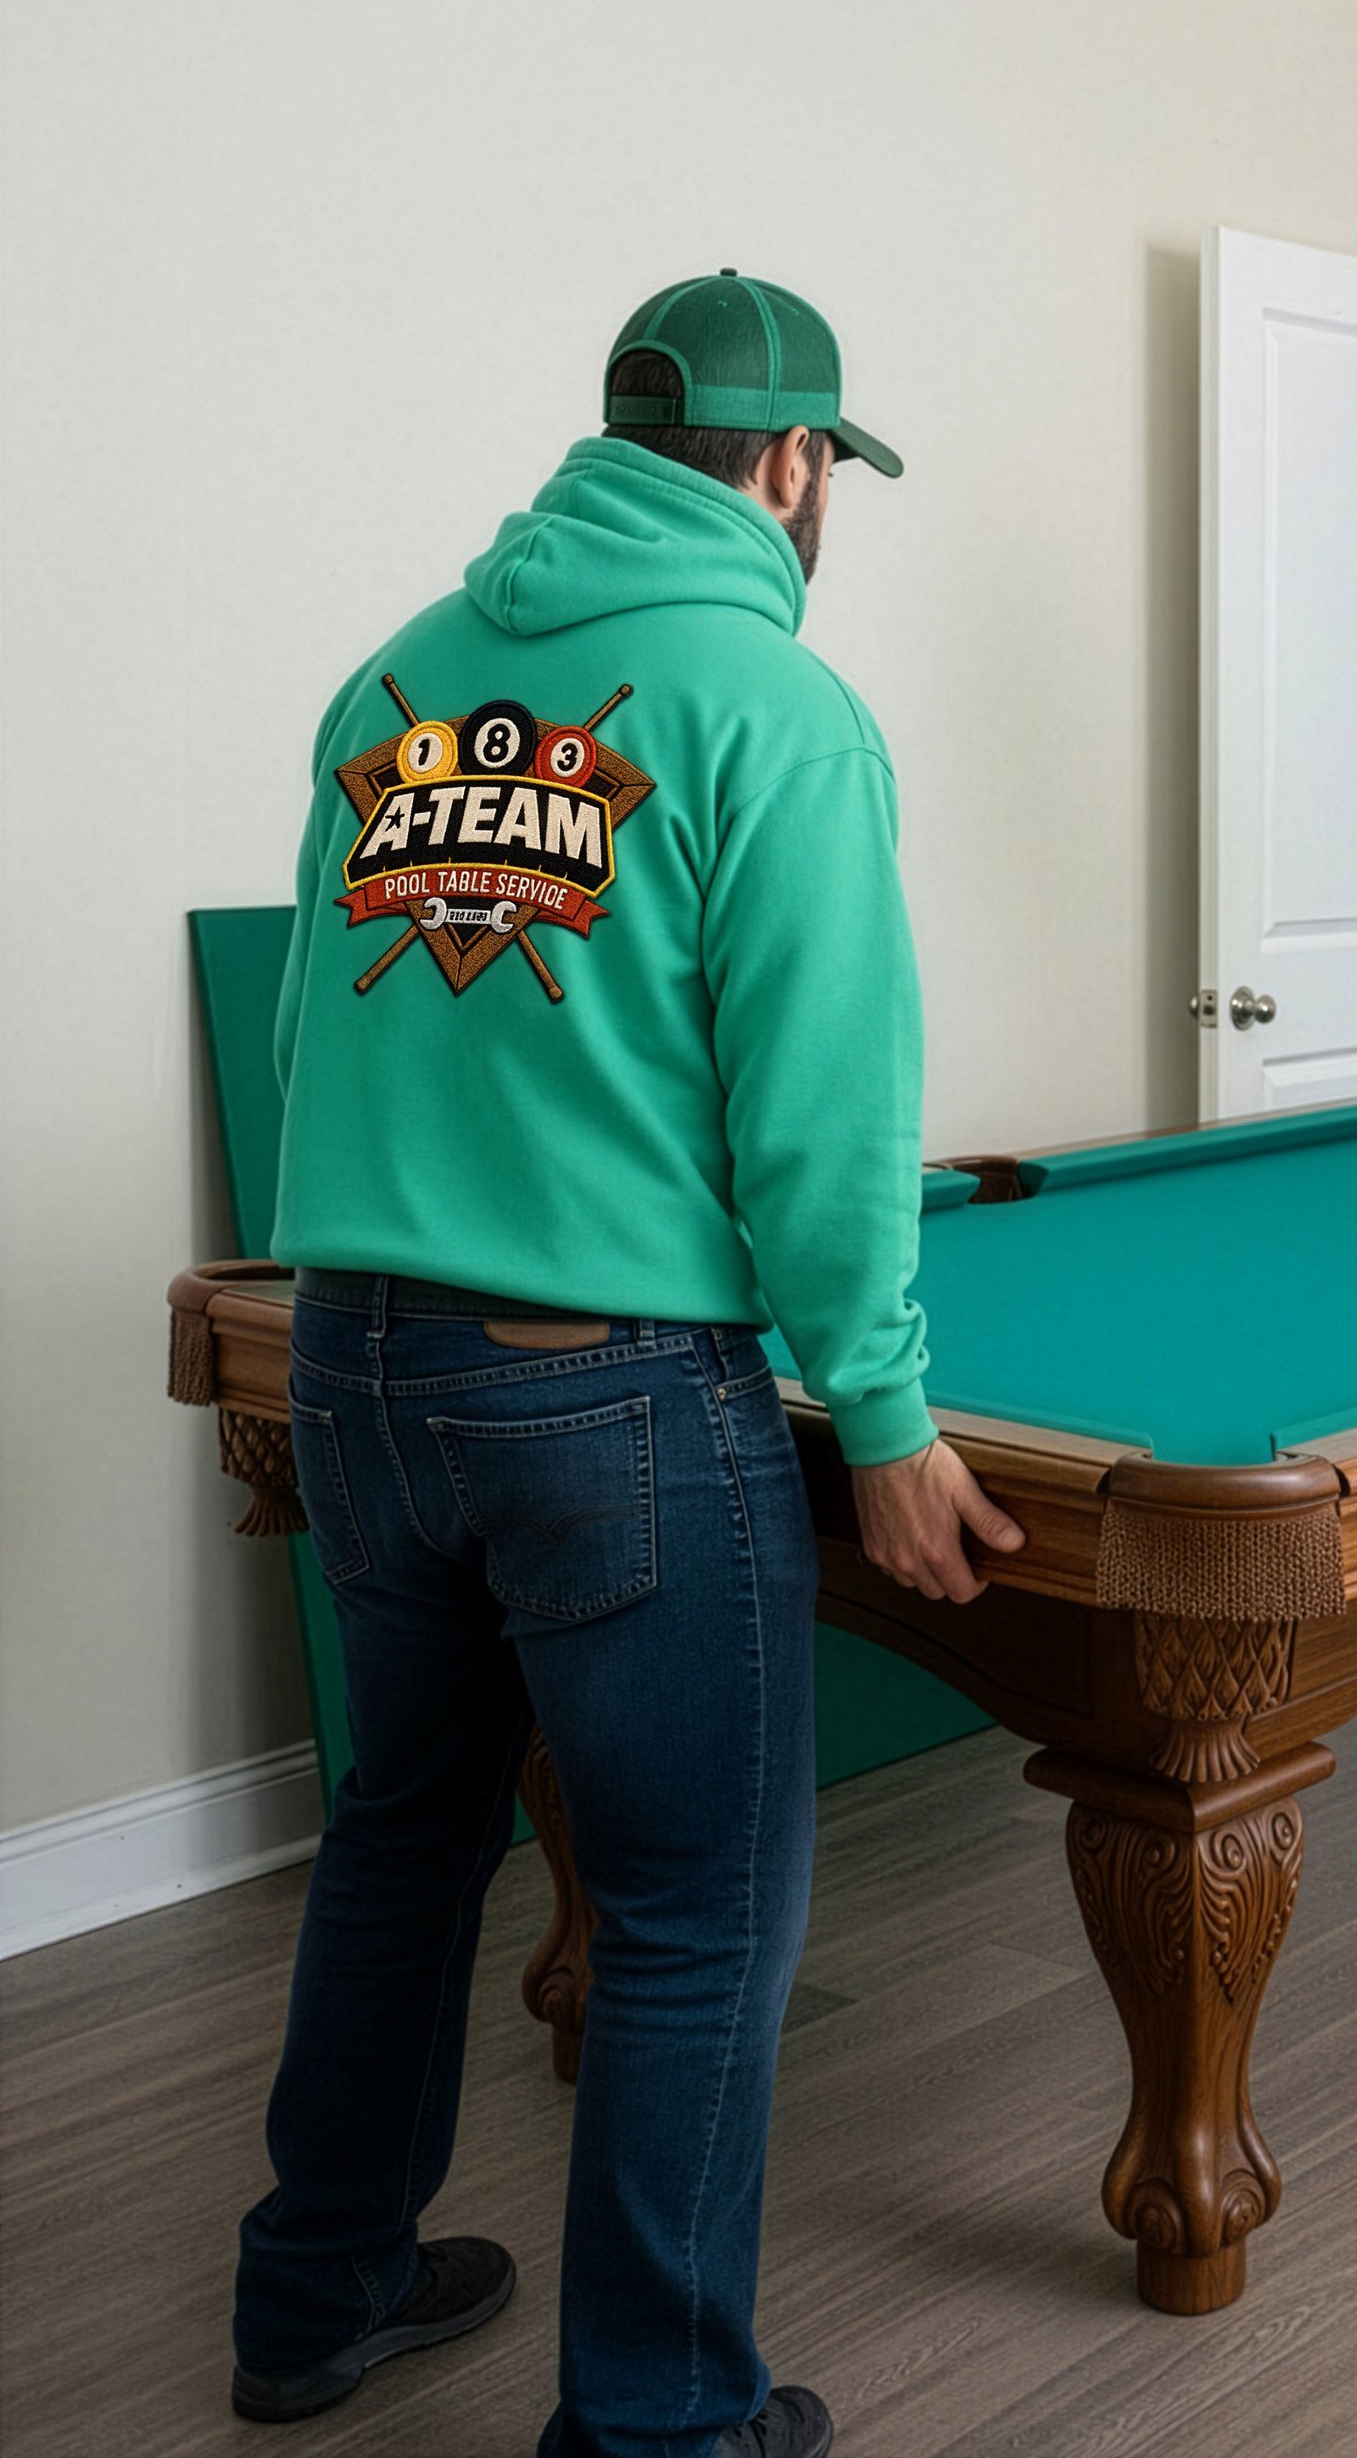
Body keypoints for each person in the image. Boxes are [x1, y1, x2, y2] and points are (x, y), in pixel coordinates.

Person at [231, 271, 1022, 2458]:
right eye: (822, 475)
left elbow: (315, 1036)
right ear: (787, 467)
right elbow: (822, 1112)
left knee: (401, 1834)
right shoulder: (773, 705)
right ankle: (664, 2421)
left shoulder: (393, 673)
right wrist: (878, 1406)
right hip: (611, 1398)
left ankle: (318, 2289)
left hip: (357, 1359)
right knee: (687, 1917)